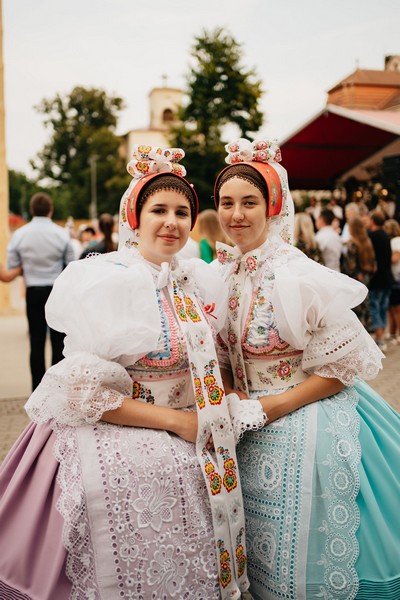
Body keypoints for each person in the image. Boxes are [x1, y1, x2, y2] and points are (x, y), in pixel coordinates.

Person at [0, 146, 250, 600]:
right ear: (134, 217)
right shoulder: (114, 280)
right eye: (159, 210)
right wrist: (177, 422)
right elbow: (82, 394)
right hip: (123, 433)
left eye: (181, 212)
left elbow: (214, 354)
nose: (171, 222)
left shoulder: (194, 279)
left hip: (190, 432)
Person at [213, 138, 400, 600]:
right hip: (246, 432)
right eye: (226, 203)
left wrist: (272, 407)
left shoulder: (295, 273)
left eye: (249, 202)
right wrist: (235, 392)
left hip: (308, 419)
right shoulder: (220, 273)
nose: (236, 214)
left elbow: (345, 364)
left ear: (272, 206)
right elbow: (223, 353)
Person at [0, 192, 75, 391]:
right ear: (51, 210)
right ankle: (57, 389)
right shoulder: (61, 234)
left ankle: (37, 390)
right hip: (56, 292)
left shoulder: (20, 235)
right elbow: (71, 266)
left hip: (33, 291)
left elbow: (13, 265)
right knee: (58, 342)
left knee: (36, 341)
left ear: (32, 210)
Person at [341, 216, 376, 329]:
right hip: (366, 276)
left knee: (357, 306)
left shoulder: (352, 245)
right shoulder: (367, 242)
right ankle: (367, 327)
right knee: (365, 304)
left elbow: (350, 266)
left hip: (355, 278)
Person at [367, 211, 394, 352]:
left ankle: (379, 339)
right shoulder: (386, 236)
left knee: (375, 308)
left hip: (377, 278)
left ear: (372, 221)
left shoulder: (372, 236)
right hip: (387, 277)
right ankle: (382, 336)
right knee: (383, 308)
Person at [383, 218, 400, 343]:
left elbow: (395, 259)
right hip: (394, 278)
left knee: (396, 308)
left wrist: (382, 258)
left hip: (396, 277)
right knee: (391, 307)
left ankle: (397, 333)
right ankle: (393, 332)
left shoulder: (395, 241)